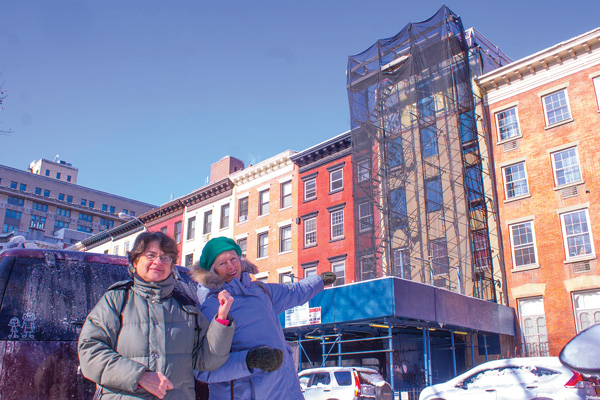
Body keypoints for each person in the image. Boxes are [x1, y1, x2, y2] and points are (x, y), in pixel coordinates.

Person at [78, 231, 235, 400]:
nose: (158, 262)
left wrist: (221, 320)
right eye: (151, 255)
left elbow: (207, 361)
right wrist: (140, 376)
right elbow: (90, 352)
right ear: (135, 261)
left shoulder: (186, 306)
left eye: (165, 257)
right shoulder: (116, 300)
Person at [191, 236, 336, 399]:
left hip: (286, 390)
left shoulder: (261, 291)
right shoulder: (211, 307)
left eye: (233, 258)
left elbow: (293, 291)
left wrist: (318, 281)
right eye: (222, 263)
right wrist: (250, 361)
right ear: (212, 270)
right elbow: (203, 369)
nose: (231, 266)